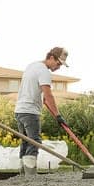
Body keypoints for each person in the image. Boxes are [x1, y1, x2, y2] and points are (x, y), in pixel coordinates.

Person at [13, 47, 69, 177]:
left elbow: (38, 92)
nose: (58, 67)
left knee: (26, 141)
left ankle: (22, 174)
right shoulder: (44, 72)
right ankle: (31, 175)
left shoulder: (32, 66)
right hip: (30, 111)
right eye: (58, 63)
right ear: (51, 57)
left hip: (19, 110)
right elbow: (48, 95)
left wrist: (43, 100)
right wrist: (58, 115)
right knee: (34, 140)